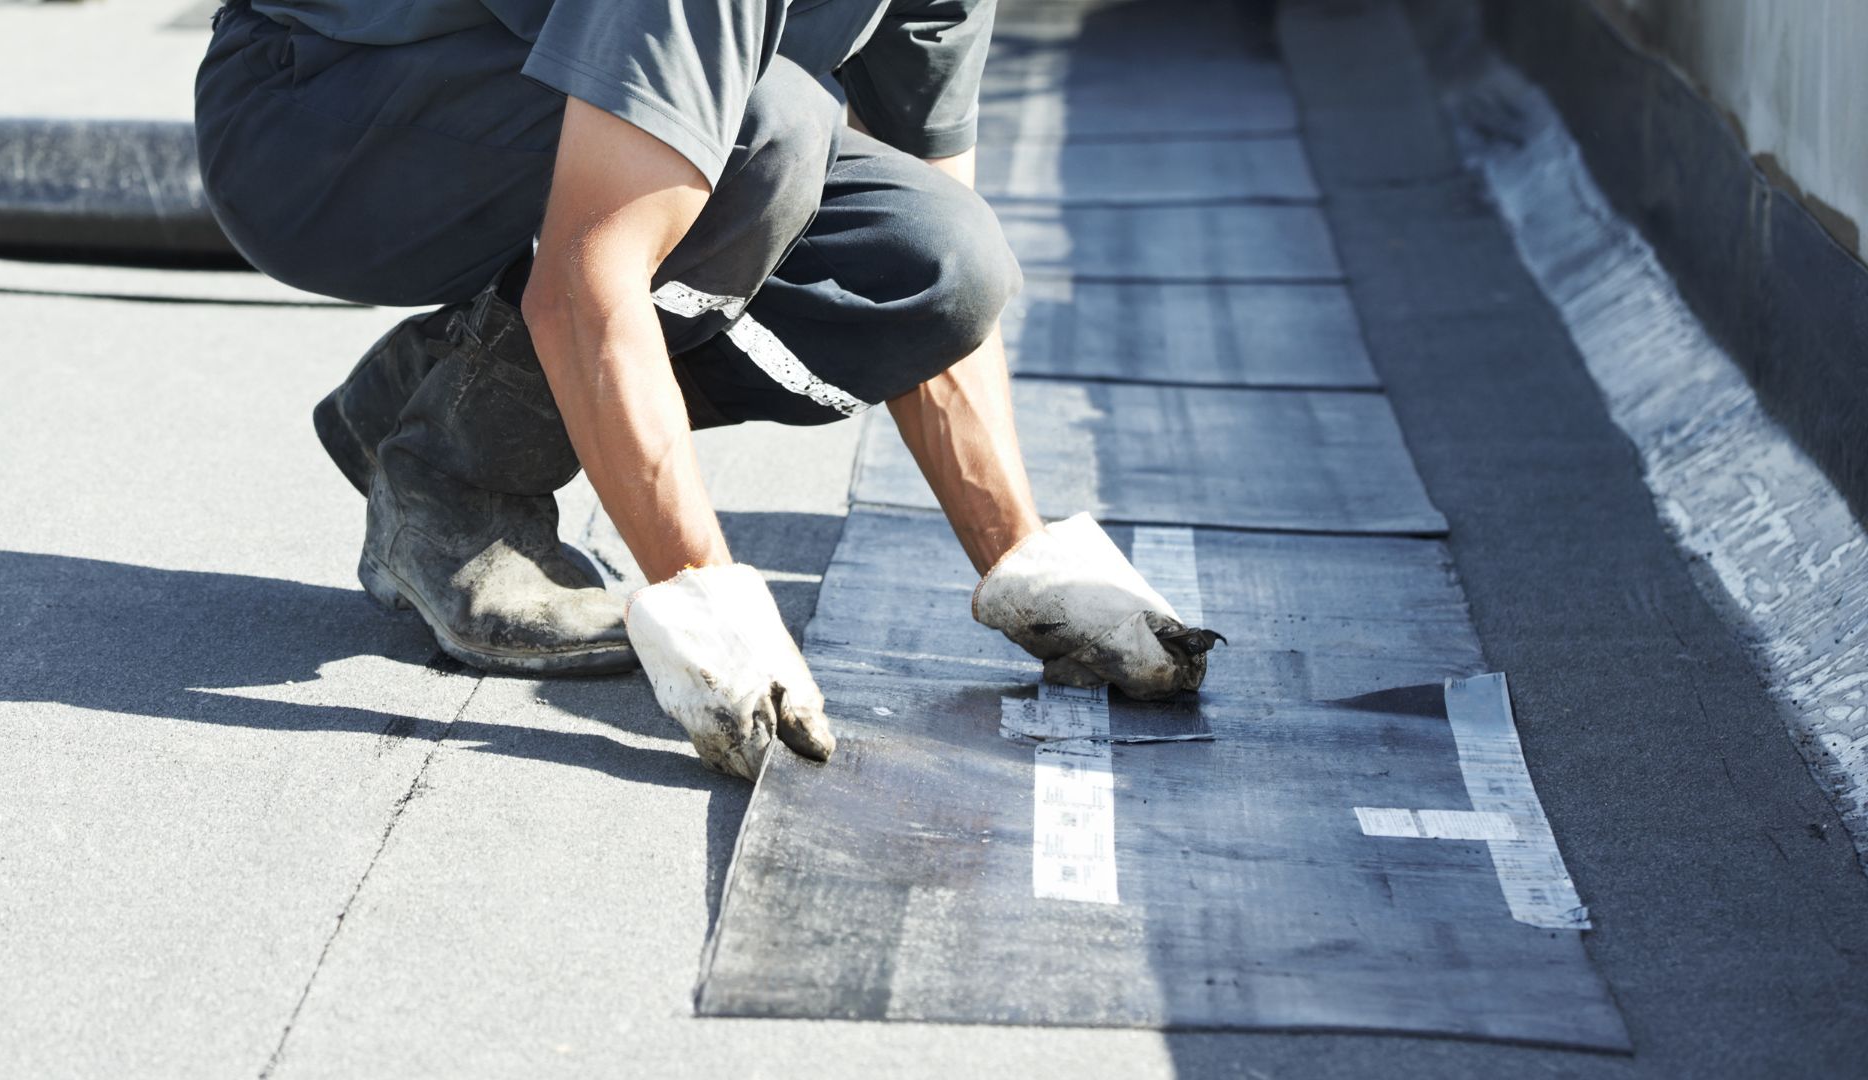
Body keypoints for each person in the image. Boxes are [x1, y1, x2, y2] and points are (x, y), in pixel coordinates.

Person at [194, 0, 1220, 779]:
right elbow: (590, 280)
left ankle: (438, 387)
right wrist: (703, 592)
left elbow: (932, 227)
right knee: (765, 132)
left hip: (545, 108)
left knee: (936, 259)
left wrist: (1028, 566)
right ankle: (456, 489)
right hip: (320, 116)